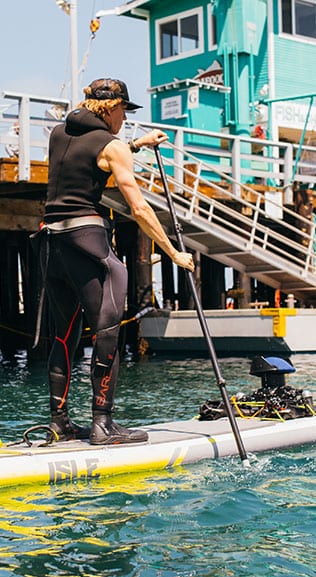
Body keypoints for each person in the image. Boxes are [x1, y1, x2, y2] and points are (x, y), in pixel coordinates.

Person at [39, 77, 195, 445]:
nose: (126, 117)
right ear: (110, 109)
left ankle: (58, 422)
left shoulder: (59, 133)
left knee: (63, 334)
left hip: (50, 241)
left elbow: (91, 153)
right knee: (108, 328)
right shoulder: (111, 145)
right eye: (124, 110)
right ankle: (103, 425)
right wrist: (173, 252)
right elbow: (138, 208)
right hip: (87, 241)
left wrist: (137, 145)